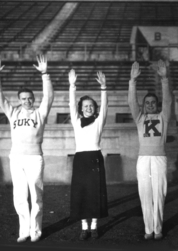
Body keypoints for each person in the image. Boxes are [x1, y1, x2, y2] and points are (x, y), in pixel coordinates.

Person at [0, 55, 54, 243]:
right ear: (19, 100)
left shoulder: (39, 113)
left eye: (29, 98)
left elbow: (49, 97)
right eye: (23, 98)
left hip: (35, 157)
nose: (26, 101)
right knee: (19, 195)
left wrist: (45, 74)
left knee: (36, 195)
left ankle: (36, 230)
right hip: (16, 158)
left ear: (33, 99)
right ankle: (24, 231)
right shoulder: (13, 112)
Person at [128, 60, 172, 240]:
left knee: (159, 194)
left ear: (157, 104)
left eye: (153, 102)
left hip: (159, 159)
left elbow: (168, 101)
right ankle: (148, 228)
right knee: (145, 194)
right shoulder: (139, 118)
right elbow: (132, 102)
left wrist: (164, 79)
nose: (151, 104)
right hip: (143, 159)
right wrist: (132, 81)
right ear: (144, 104)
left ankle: (158, 228)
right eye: (147, 102)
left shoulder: (164, 117)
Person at [68, 69, 109, 240]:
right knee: (82, 193)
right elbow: (71, 105)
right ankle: (84, 227)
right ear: (81, 108)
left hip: (95, 159)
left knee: (94, 194)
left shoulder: (99, 121)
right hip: (80, 159)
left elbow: (105, 106)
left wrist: (104, 88)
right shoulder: (77, 122)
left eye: (91, 106)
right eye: (85, 106)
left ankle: (94, 227)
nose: (88, 108)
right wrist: (72, 86)